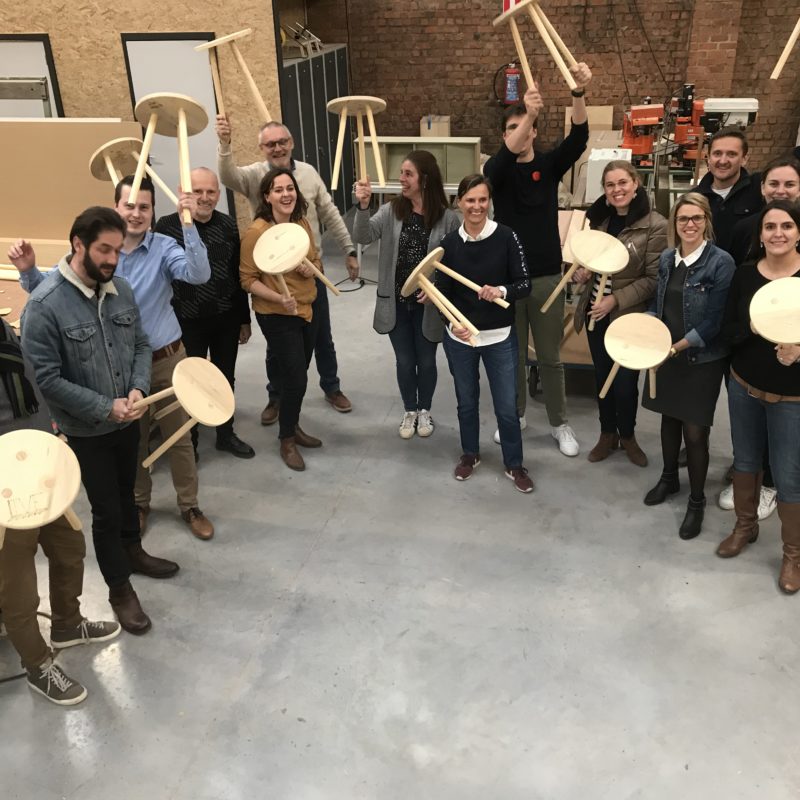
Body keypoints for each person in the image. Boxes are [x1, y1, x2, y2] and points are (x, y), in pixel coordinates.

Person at [10, 177, 216, 541]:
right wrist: (28, 271)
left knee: (180, 439)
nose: (136, 213)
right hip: (118, 365)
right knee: (134, 442)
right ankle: (139, 504)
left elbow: (199, 274)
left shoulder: (163, 247)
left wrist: (188, 223)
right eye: (129, 205)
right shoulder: (99, 251)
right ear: (116, 208)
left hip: (167, 359)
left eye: (144, 207)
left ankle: (190, 505)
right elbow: (57, 289)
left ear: (152, 212)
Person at [19, 206, 178, 636]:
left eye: (117, 250)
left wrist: (138, 388)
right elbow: (45, 380)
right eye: (104, 250)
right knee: (106, 510)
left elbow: (141, 344)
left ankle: (133, 553)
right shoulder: (45, 305)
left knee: (128, 496)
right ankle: (119, 589)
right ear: (78, 244)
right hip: (87, 432)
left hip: (129, 421)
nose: (112, 259)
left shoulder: (120, 289)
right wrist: (105, 406)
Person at [0, 316, 120, 705]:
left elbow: (31, 388)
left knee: (70, 548)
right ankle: (38, 666)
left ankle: (68, 624)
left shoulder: (4, 331)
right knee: (18, 590)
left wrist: (51, 432)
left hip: (41, 468)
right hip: (6, 489)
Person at [483, 63, 592, 458]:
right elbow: (498, 164)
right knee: (510, 356)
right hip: (508, 280)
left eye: (526, 126)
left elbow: (579, 138)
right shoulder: (497, 172)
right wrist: (528, 113)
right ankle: (514, 416)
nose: (521, 131)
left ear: (534, 132)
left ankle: (559, 423)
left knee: (550, 357)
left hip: (546, 276)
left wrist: (577, 93)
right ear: (505, 136)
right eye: (512, 127)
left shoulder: (547, 166)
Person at [216, 116, 354, 419]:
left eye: (282, 142)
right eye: (270, 144)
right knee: (278, 345)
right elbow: (227, 176)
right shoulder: (254, 175)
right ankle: (276, 396)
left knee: (322, 336)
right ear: (262, 148)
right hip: (275, 276)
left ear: (291, 143)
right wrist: (225, 144)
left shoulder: (308, 173)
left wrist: (349, 249)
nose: (277, 148)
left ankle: (331, 386)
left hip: (310, 270)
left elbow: (329, 212)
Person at [716, 200, 800, 594]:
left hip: (793, 399)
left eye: (786, 226)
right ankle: (745, 526)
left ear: (798, 232)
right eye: (770, 227)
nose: (778, 233)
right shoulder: (746, 274)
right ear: (760, 235)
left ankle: (792, 554)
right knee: (746, 462)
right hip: (744, 386)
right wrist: (753, 325)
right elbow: (728, 330)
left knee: (788, 476)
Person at [641, 193, 734, 539]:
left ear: (706, 221)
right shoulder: (668, 258)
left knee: (695, 432)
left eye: (696, 218)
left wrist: (676, 347)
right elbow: (658, 303)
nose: (690, 224)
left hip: (700, 358)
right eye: (683, 219)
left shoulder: (721, 262)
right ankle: (669, 479)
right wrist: (649, 325)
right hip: (666, 353)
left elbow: (715, 321)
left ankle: (697, 501)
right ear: (675, 223)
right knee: (668, 420)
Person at [436, 174, 533, 493]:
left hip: (499, 337)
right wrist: (452, 323)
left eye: (482, 199)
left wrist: (502, 290)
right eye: (470, 200)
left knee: (506, 406)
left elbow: (524, 284)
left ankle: (514, 463)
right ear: (459, 202)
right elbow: (441, 293)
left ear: (489, 202)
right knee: (466, 402)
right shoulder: (449, 244)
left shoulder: (507, 237)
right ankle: (470, 454)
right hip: (461, 338)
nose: (477, 206)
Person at [353, 150, 460, 438]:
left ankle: (425, 410)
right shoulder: (391, 211)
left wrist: (437, 287)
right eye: (401, 173)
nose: (401, 179)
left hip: (428, 306)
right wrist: (363, 206)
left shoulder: (448, 219)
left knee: (426, 361)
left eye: (408, 174)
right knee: (404, 361)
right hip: (396, 303)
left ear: (425, 179)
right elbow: (363, 236)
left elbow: (455, 262)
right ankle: (409, 410)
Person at [155, 167, 255, 460]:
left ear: (218, 194)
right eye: (197, 191)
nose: (204, 197)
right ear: (182, 193)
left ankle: (226, 433)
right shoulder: (166, 227)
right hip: (186, 321)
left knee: (225, 377)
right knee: (192, 383)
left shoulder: (227, 225)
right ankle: (192, 441)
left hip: (225, 318)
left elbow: (237, 276)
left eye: (211, 191)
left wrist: (244, 319)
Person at [573, 160, 667, 467]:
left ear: (636, 183)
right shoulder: (599, 220)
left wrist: (615, 300)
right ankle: (607, 434)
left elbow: (653, 279)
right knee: (602, 376)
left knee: (625, 382)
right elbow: (591, 261)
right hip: (595, 313)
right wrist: (584, 273)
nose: (617, 190)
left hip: (628, 317)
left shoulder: (655, 225)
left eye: (623, 182)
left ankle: (627, 435)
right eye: (610, 185)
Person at [239, 168, 321, 471]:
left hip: (307, 308)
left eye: (290, 188)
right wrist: (277, 298)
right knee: (296, 377)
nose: (286, 194)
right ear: (266, 196)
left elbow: (316, 258)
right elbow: (247, 279)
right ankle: (287, 439)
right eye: (278, 190)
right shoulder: (257, 233)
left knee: (296, 375)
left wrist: (311, 267)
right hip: (276, 314)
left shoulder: (301, 223)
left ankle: (292, 424)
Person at [694, 127, 763, 254]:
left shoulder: (759, 190)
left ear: (744, 159)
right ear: (708, 158)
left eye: (732, 154)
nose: (723, 161)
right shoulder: (694, 198)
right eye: (717, 153)